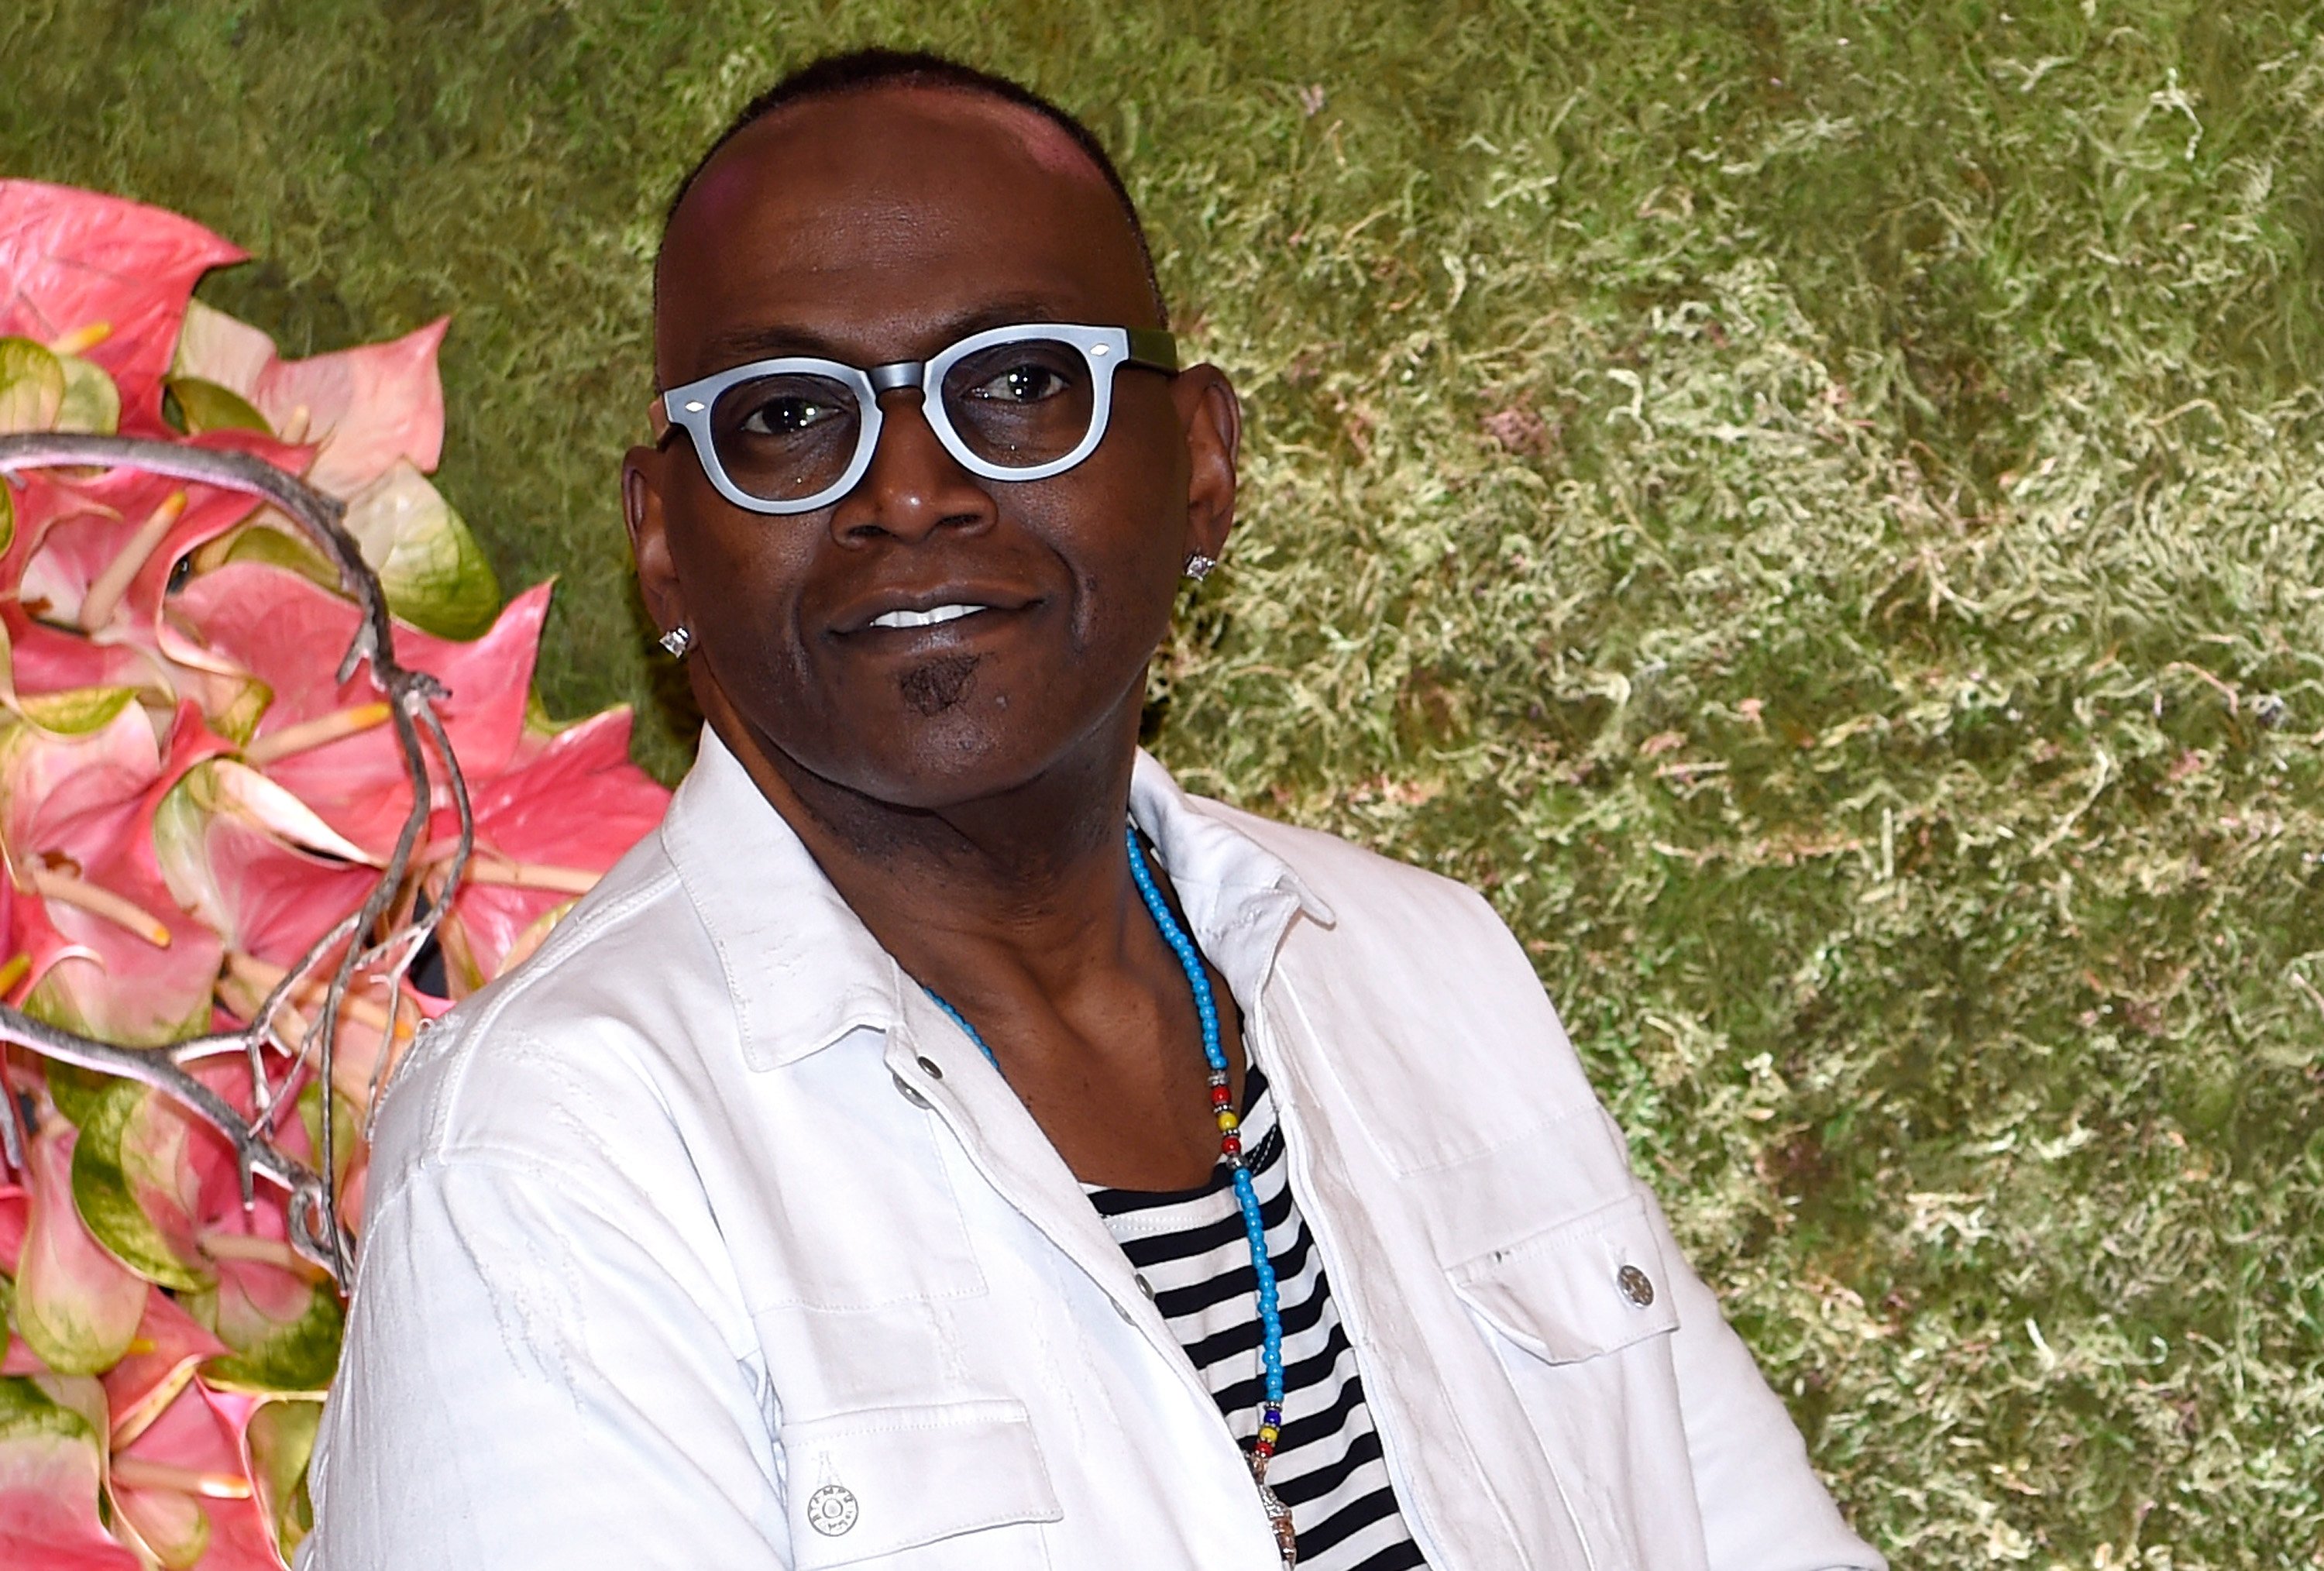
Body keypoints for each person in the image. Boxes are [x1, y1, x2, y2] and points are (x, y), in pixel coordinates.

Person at [303, 49, 1882, 1571]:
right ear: (663, 540)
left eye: (1018, 383)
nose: (909, 489)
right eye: (788, 415)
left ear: (1201, 462)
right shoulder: (558, 1154)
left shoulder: (1417, 968)